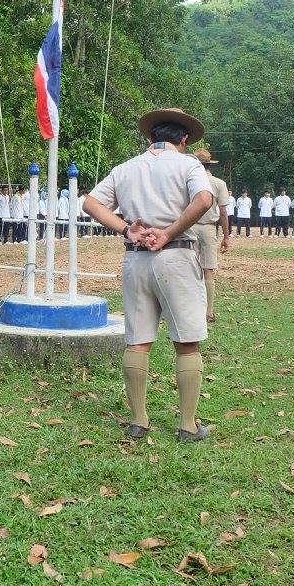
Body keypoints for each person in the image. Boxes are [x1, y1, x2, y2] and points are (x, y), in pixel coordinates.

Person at [82, 107, 214, 443]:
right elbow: (203, 199)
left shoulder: (126, 168)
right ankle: (187, 425)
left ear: (150, 137)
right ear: (183, 140)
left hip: (136, 259)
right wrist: (169, 232)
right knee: (186, 342)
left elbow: (91, 204)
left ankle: (139, 421)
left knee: (138, 341)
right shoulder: (188, 164)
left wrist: (127, 229)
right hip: (176, 256)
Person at [189, 149, 231, 323]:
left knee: (188, 269)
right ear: (209, 165)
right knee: (208, 270)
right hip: (208, 229)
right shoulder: (218, 183)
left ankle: (189, 309)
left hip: (189, 226)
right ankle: (208, 312)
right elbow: (223, 213)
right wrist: (226, 236)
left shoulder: (188, 181)